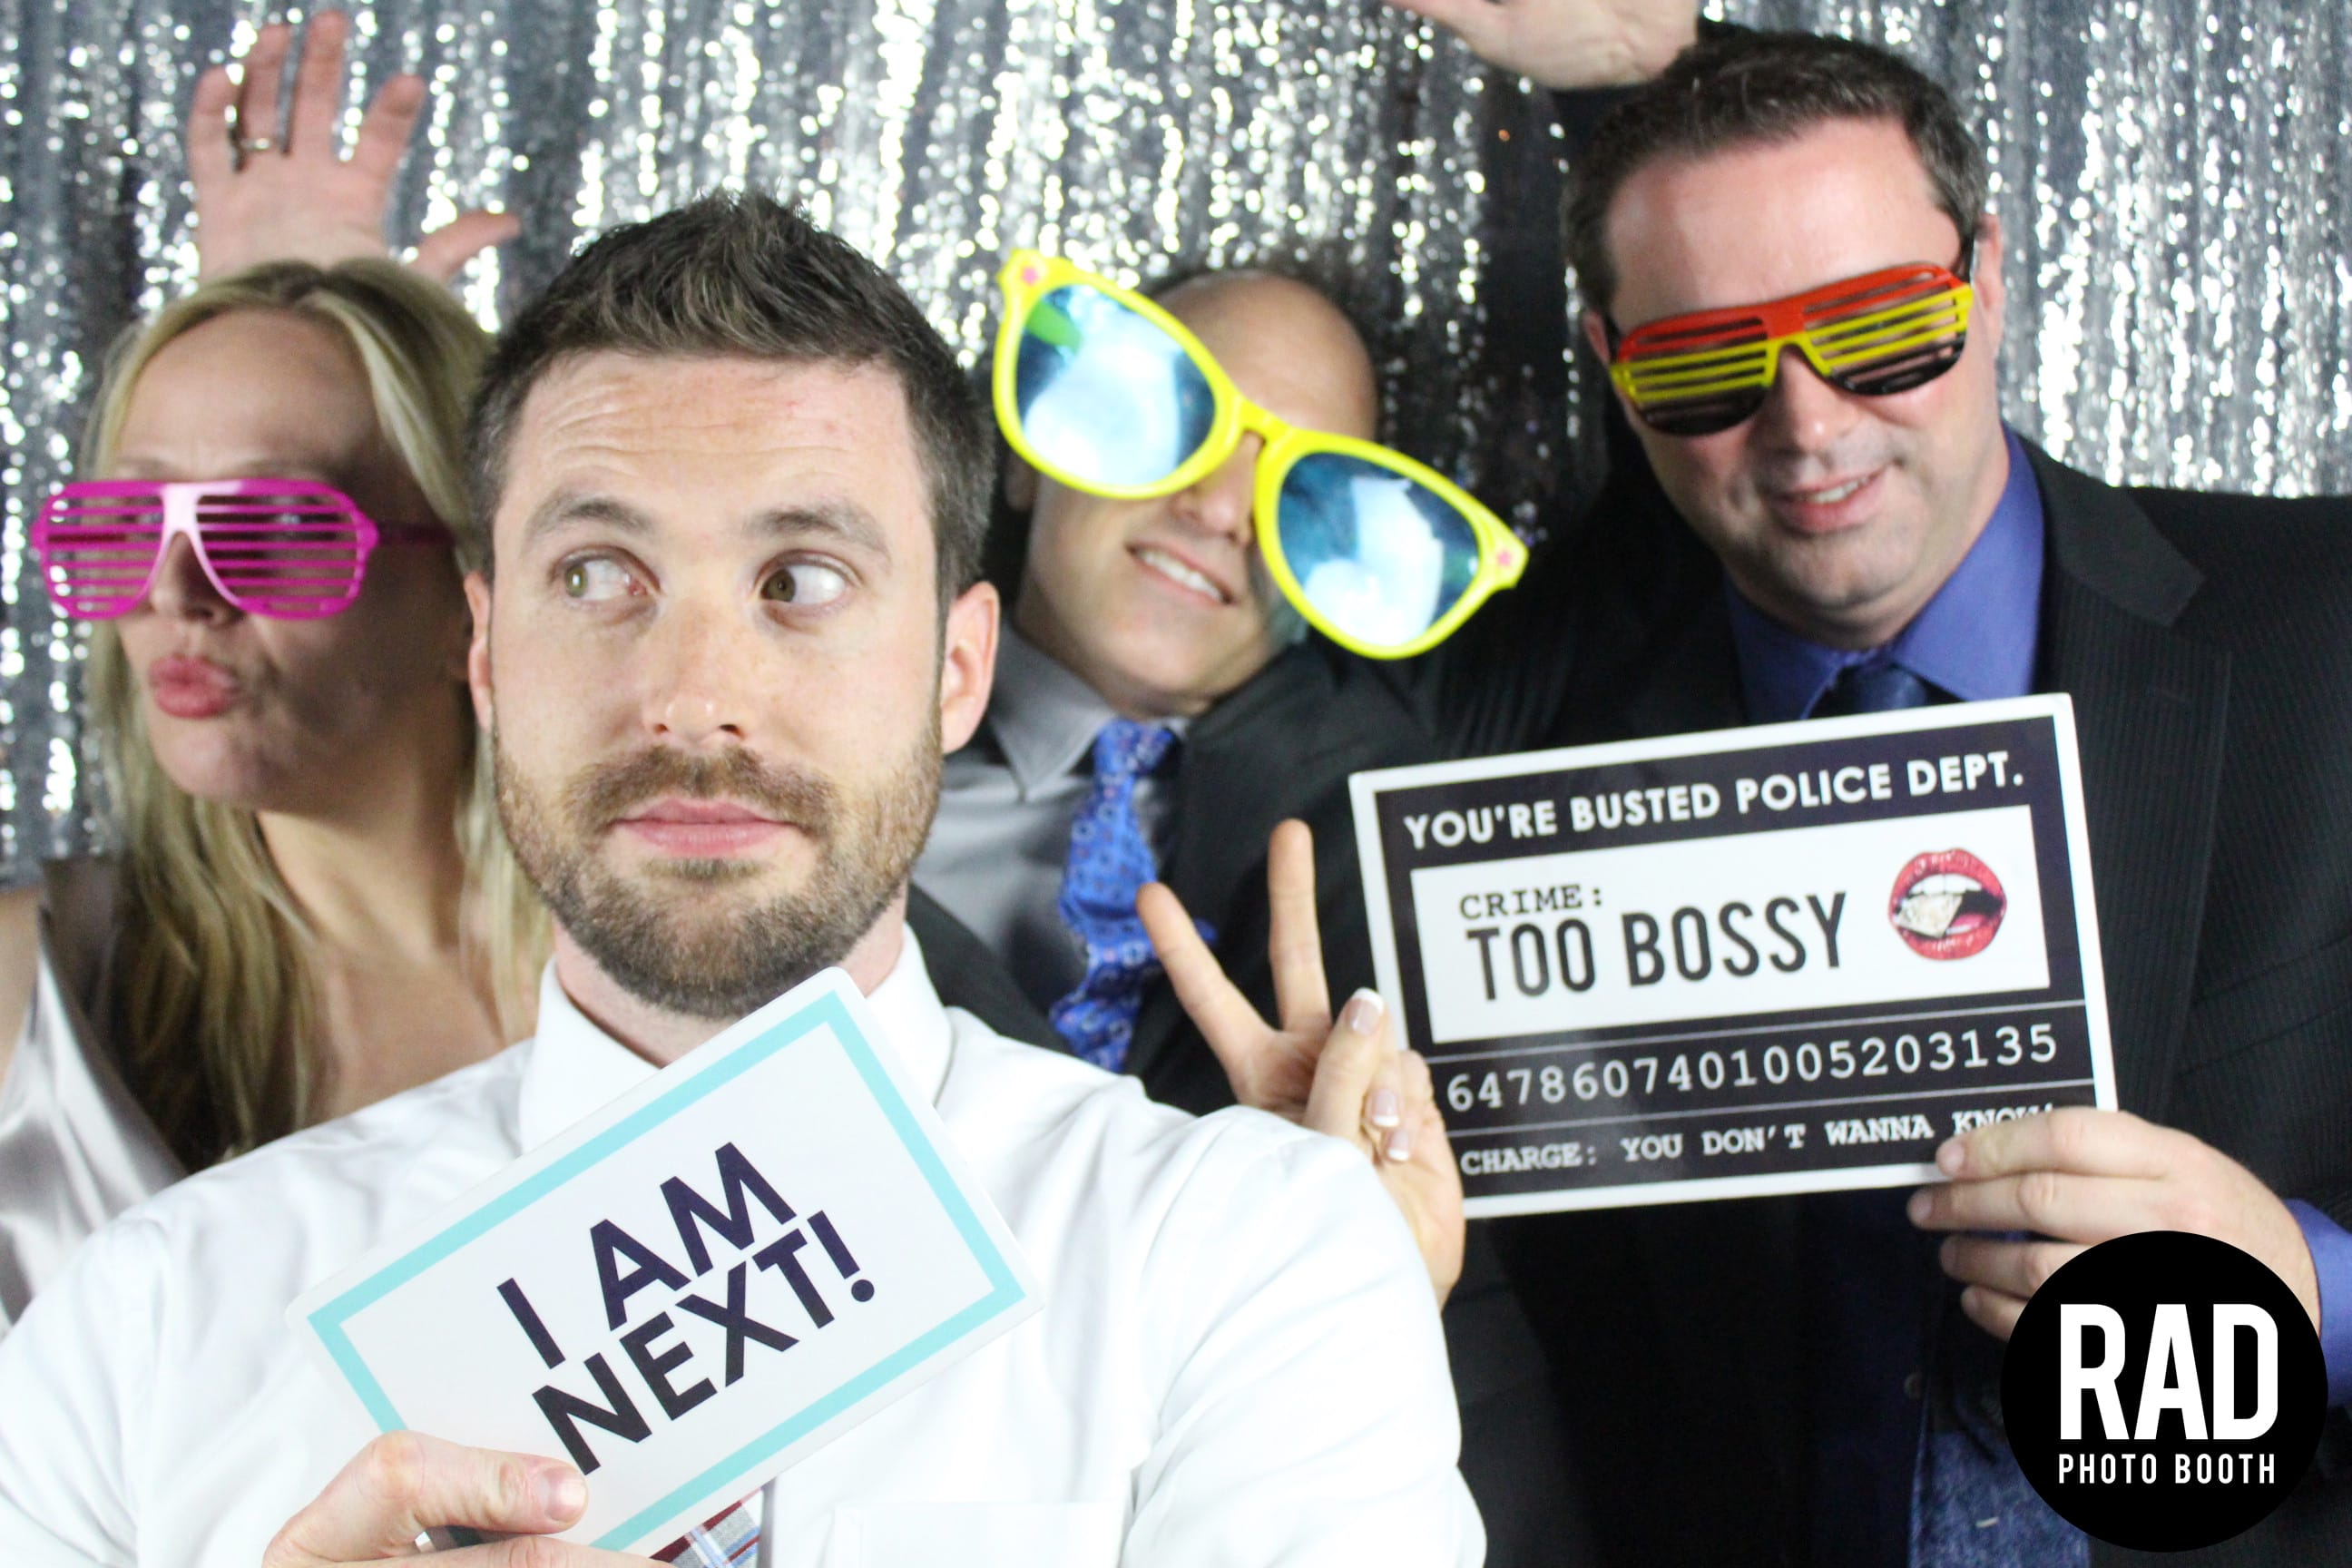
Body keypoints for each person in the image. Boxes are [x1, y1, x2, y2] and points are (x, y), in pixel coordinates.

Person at [0, 192, 1480, 1568]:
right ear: (487, 653)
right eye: (598, 577)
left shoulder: (1250, 1262)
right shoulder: (142, 1327)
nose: (696, 701)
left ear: (957, 669)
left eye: (802, 583)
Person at [1394, 18, 2352, 1566]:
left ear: (1987, 277)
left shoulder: (2329, 637)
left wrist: (2310, 1288)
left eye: (1885, 327)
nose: (1810, 425)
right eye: (1705, 366)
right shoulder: (1520, 757)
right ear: (1616, 373)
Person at [917, 256, 1600, 1562]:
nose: (1220, 506)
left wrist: (1353, 1261)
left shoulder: (1397, 795)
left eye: (1305, 492)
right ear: (1025, 456)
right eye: (1160, 413)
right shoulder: (812, 781)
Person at [0, 11, 540, 1333]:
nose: (177, 594)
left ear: (474, 592)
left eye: (276, 530)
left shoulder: (675, 960)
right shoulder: (27, 998)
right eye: (129, 521)